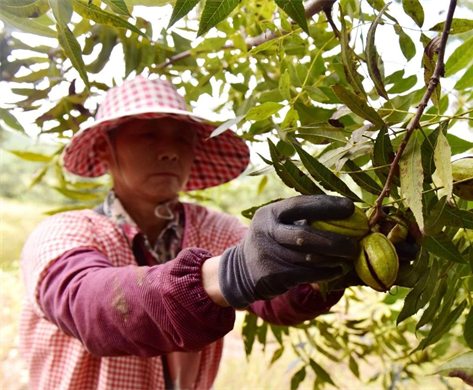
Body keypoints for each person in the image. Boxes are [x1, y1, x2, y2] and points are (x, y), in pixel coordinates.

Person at [19, 76, 360, 390]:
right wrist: (230, 273)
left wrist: (330, 266)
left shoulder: (212, 229)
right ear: (104, 149)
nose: (169, 151)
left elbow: (276, 297)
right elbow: (88, 306)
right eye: (148, 134)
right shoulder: (65, 232)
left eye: (182, 138)